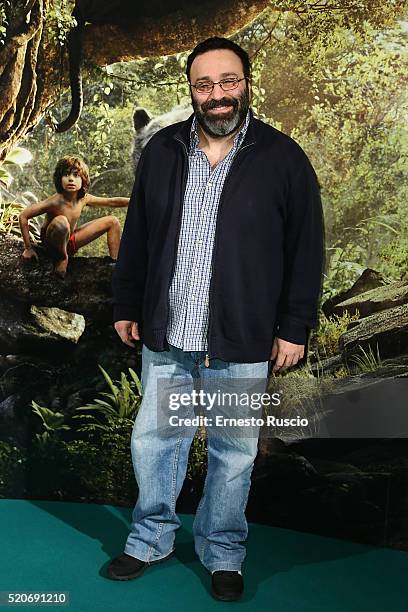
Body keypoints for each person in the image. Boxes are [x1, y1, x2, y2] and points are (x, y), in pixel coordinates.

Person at [110, 37, 324, 601]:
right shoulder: (161, 153)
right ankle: (149, 540)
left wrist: (294, 325)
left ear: (246, 83)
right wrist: (127, 305)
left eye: (228, 82)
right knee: (155, 441)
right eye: (205, 86)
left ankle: (223, 551)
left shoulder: (283, 159)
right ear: (192, 91)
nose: (218, 96)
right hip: (170, 334)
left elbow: (306, 249)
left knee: (234, 450)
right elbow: (137, 239)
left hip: (242, 339)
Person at [19, 155, 130, 278]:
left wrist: (136, 201)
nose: (71, 179)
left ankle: (116, 264)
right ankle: (62, 259)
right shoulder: (55, 201)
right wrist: (28, 248)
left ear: (83, 180)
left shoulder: (83, 198)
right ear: (59, 179)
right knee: (62, 221)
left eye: (76, 175)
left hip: (70, 242)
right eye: (66, 175)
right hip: (52, 245)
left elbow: (112, 202)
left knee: (112, 221)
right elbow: (23, 216)